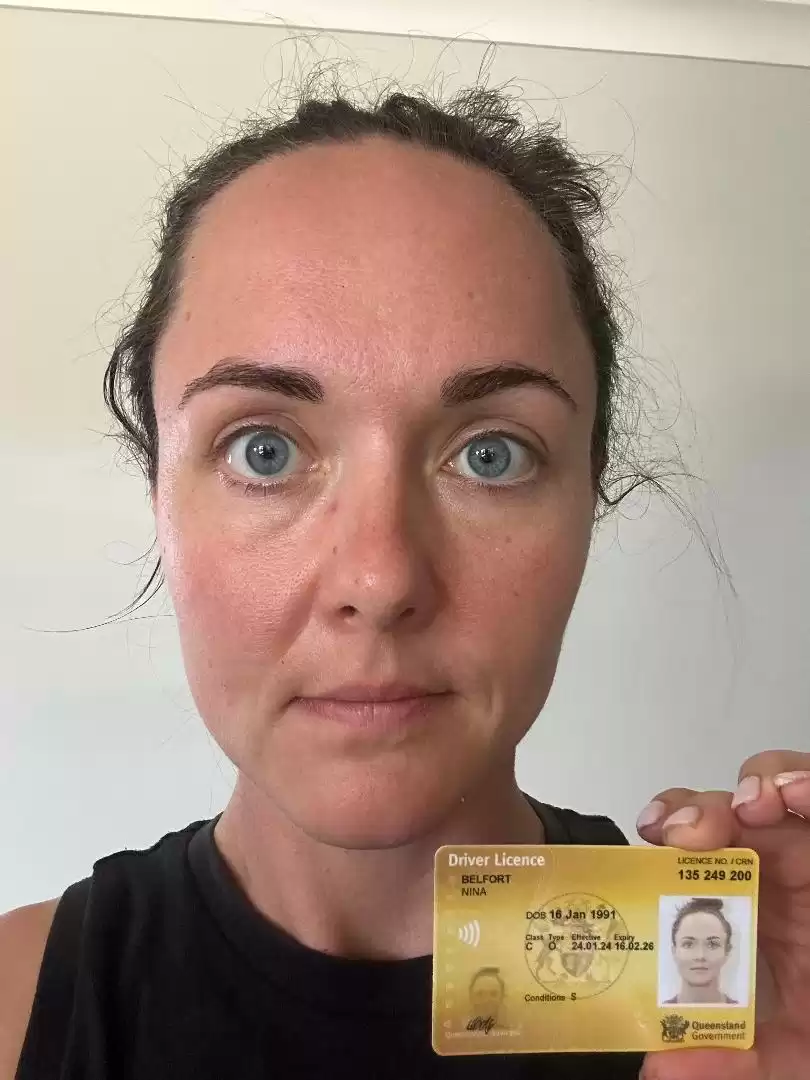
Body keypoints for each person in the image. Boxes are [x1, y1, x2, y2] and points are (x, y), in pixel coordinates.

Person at [1, 79, 808, 1080]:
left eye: (491, 456)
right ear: (158, 487)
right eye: (262, 450)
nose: (380, 579)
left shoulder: (732, 985)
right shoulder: (15, 1008)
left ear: (589, 496)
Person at [664, 898, 738, 1006]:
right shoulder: (654, 1013)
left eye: (713, 944)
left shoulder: (744, 1012)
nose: (700, 955)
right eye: (688, 944)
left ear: (727, 951)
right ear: (674, 951)